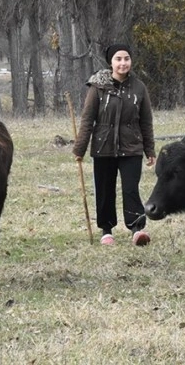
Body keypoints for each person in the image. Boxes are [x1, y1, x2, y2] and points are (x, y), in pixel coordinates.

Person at [72, 43, 156, 246]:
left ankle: (137, 229)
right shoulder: (98, 87)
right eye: (118, 59)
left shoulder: (139, 87)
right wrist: (80, 149)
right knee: (104, 189)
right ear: (111, 62)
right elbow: (87, 119)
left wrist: (150, 150)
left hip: (131, 148)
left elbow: (146, 121)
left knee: (130, 188)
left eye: (126, 58)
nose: (123, 63)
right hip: (103, 148)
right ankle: (106, 230)